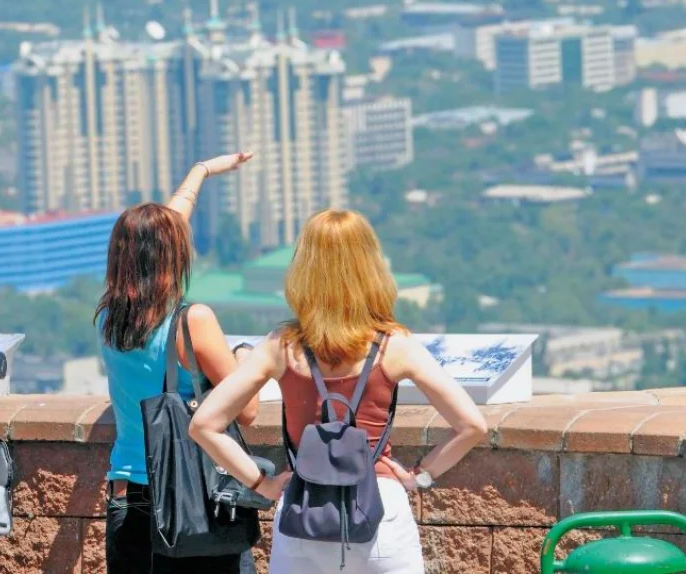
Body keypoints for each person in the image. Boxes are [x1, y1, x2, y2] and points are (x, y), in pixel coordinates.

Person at [190, 209, 490, 574]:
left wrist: (263, 485)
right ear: (371, 267)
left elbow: (203, 425)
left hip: (304, 512)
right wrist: (420, 475)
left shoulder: (280, 346)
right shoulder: (394, 345)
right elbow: (473, 426)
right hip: (380, 511)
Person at [97, 154, 262, 574]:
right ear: (173, 257)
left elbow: (156, 234)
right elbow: (248, 411)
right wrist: (243, 359)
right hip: (191, 497)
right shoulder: (193, 322)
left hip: (127, 493)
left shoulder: (109, 317)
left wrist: (200, 172)